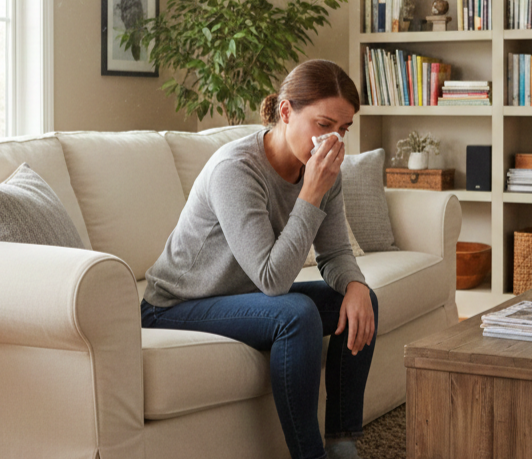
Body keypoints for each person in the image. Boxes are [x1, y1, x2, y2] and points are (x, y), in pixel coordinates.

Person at [141, 59, 378, 459]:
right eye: (323, 125)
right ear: (286, 112)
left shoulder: (322, 170)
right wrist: (311, 194)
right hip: (176, 304)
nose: (334, 141)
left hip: (242, 295)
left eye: (343, 130)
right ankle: (310, 455)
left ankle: (341, 444)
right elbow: (273, 281)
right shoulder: (236, 170)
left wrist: (354, 285)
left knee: (360, 300)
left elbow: (335, 253)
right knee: (295, 313)